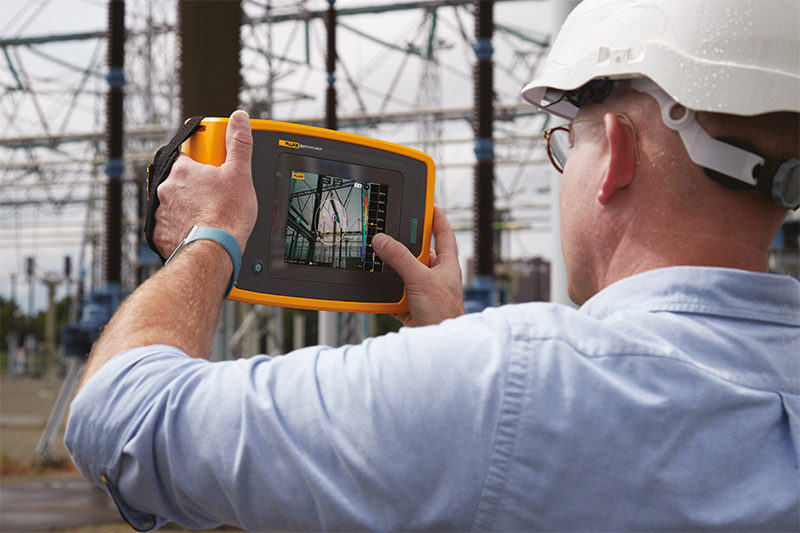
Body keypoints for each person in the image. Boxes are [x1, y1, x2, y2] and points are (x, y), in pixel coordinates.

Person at [66, 0, 799, 530]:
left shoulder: (511, 379)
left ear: (617, 152)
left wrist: (212, 237)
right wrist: (447, 338)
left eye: (565, 142)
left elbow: (122, 418)